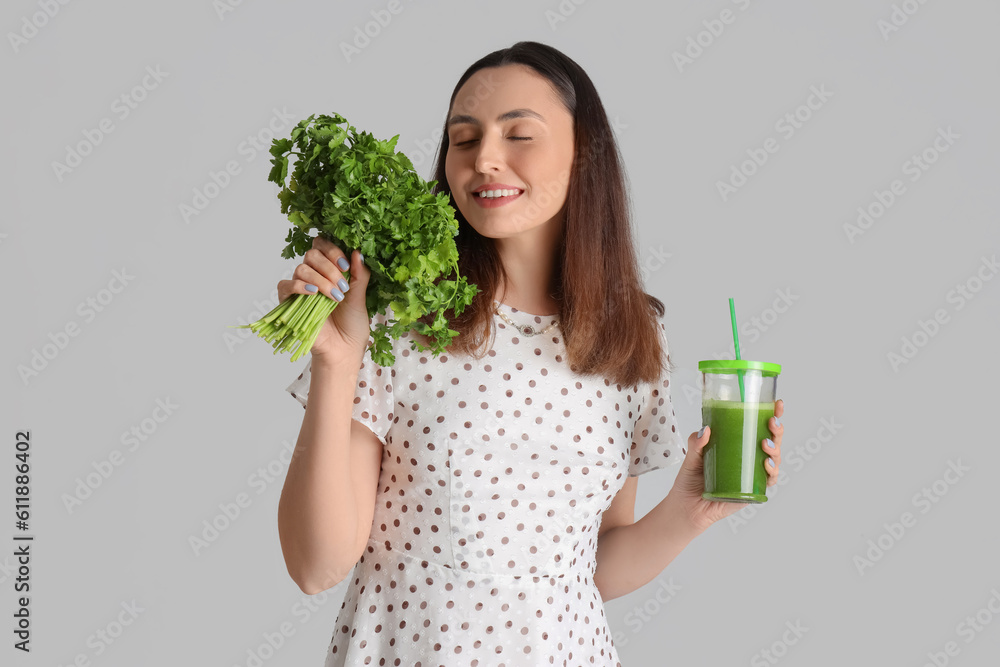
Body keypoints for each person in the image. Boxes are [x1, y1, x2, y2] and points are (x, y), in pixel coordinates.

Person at [276, 41, 785, 666]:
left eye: (519, 134)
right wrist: (337, 361)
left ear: (584, 154)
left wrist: (689, 511)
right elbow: (315, 565)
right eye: (464, 140)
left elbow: (588, 571)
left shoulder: (631, 334)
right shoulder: (398, 316)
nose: (486, 158)